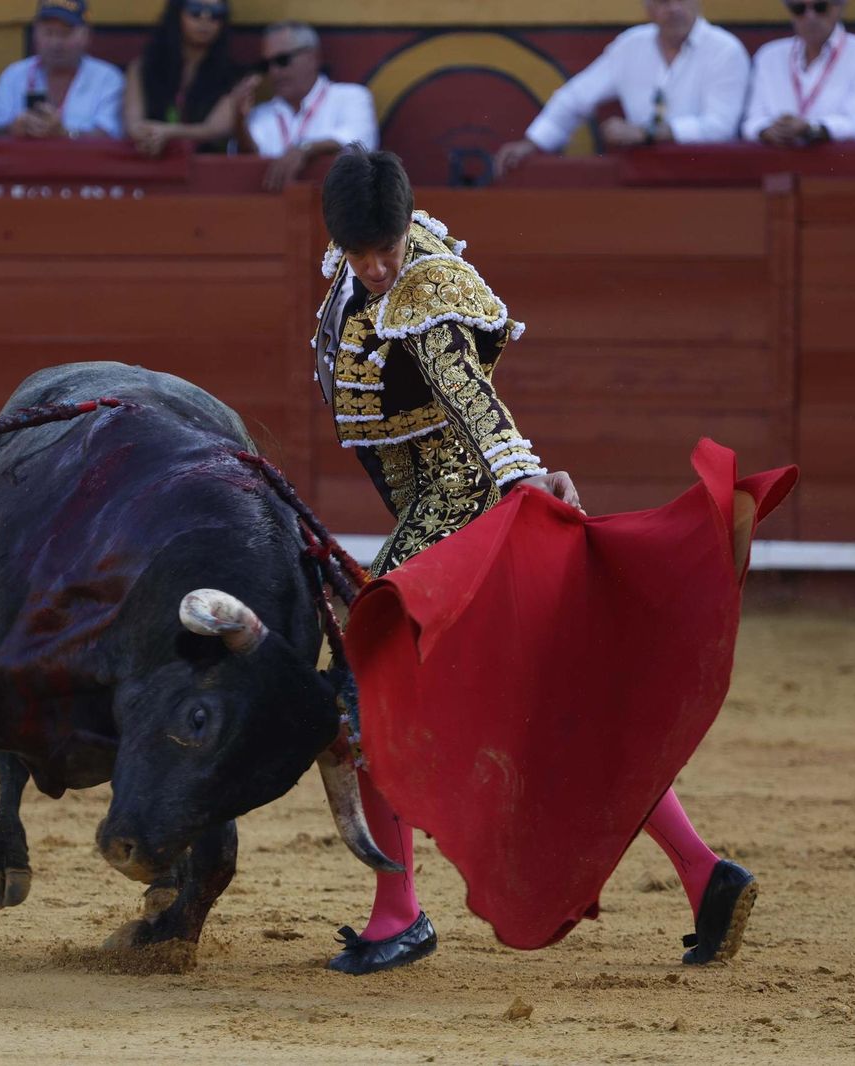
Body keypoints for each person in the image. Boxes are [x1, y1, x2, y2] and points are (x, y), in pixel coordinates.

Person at [313, 146, 758, 975]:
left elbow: (473, 403)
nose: (376, 267)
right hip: (441, 508)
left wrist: (524, 479)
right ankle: (705, 872)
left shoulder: (425, 290)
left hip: (459, 508)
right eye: (359, 250)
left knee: (364, 687)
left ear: (408, 228)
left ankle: (398, 912)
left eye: (387, 247)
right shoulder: (356, 267)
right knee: (542, 709)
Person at [495, 0, 749, 175]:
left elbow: (720, 127)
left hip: (706, 179)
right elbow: (576, 96)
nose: (674, 9)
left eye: (681, 0)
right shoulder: (631, 45)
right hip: (642, 174)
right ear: (648, 8)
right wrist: (532, 143)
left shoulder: (725, 50)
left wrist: (644, 133)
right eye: (663, 1)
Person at [235, 21, 377, 191]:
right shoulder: (260, 114)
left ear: (312, 57)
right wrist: (238, 119)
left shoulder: (351, 97)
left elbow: (358, 141)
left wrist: (304, 150)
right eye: (267, 65)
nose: (274, 72)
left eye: (282, 60)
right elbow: (248, 161)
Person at [742, 0, 855, 146]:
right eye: (799, 9)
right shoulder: (769, 56)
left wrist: (812, 128)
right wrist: (767, 130)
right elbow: (752, 122)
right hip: (780, 163)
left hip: (841, 165)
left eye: (820, 7)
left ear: (840, 7)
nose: (810, 17)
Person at [0, 0, 123, 140]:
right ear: (35, 33)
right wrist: (11, 129)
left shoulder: (107, 78)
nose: (56, 43)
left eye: (65, 33)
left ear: (86, 35)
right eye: (48, 32)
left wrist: (65, 134)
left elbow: (109, 137)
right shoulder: (14, 74)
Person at [122, 0, 241, 156]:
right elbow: (133, 124)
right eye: (195, 10)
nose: (205, 19)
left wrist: (168, 133)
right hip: (149, 164)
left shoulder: (233, 75)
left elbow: (217, 128)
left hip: (206, 169)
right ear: (177, 13)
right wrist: (150, 135)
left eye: (216, 13)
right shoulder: (141, 67)